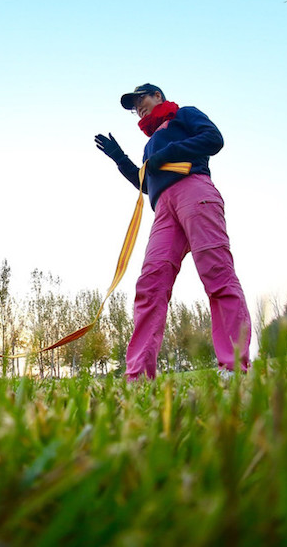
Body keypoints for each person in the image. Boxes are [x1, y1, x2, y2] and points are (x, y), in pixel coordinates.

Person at [95, 83, 251, 379]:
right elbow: (144, 181)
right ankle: (139, 375)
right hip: (163, 211)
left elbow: (213, 139)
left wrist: (167, 153)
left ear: (158, 96)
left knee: (217, 274)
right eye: (133, 105)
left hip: (194, 192)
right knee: (150, 285)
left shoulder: (184, 116)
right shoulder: (150, 143)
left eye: (141, 99)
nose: (137, 107)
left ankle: (234, 367)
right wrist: (120, 158)